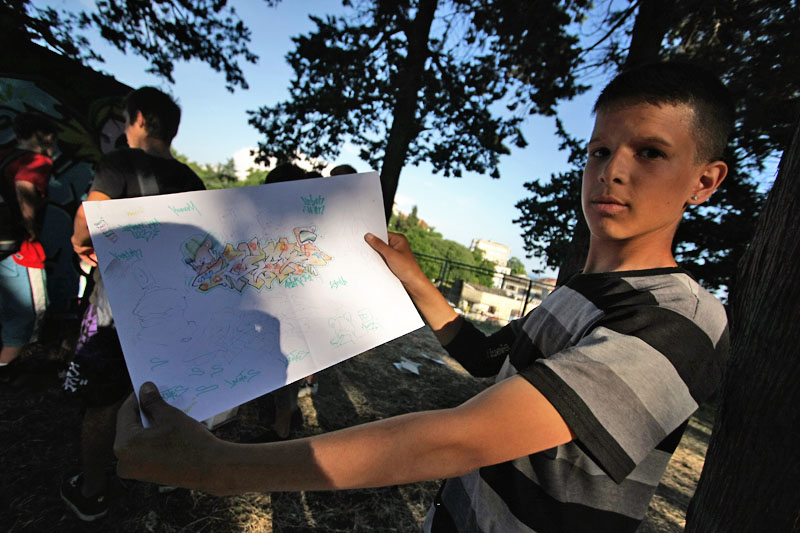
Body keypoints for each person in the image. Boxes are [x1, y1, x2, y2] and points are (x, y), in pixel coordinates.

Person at [113, 61, 732, 532]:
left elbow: (464, 435)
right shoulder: (582, 292)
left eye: (650, 152)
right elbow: (493, 364)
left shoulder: (682, 317)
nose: (612, 170)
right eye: (600, 150)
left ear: (705, 180)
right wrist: (413, 276)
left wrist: (218, 468)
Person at [61, 87, 205, 522]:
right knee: (159, 393)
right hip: (169, 302)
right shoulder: (191, 181)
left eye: (127, 120)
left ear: (139, 119)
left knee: (102, 399)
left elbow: (90, 216)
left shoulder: (119, 163)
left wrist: (78, 242)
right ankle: (160, 474)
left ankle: (92, 490)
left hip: (117, 302)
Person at [0, 112, 56, 384]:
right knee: (29, 313)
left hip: (3, 248)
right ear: (45, 136)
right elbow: (25, 185)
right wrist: (31, 227)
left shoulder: (5, 156)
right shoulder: (37, 161)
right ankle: (6, 369)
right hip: (22, 250)